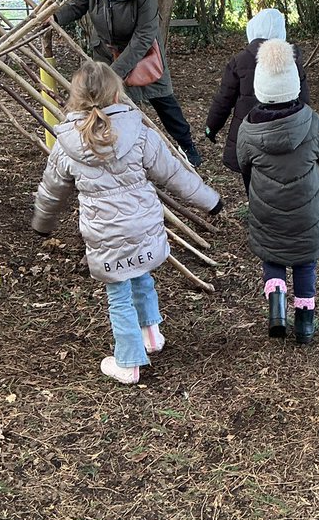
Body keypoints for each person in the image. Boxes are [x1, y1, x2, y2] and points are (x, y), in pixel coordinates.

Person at [31, 62, 222, 384]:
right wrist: (211, 201)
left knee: (118, 293)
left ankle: (129, 363)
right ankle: (151, 336)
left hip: (104, 233)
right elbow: (174, 174)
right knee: (141, 275)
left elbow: (52, 192)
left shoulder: (66, 145)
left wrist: (42, 224)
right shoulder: (139, 133)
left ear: (74, 98)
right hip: (143, 226)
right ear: (117, 93)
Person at [53, 0, 202, 167]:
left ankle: (187, 145)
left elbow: (144, 35)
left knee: (163, 100)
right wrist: (55, 19)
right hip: (105, 50)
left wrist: (115, 73)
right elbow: (76, 5)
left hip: (143, 53)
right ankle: (112, 148)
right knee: (107, 103)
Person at [235, 39, 319, 344]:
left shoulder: (247, 128)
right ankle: (305, 323)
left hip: (267, 208)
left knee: (273, 256)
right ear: (293, 82)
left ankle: (277, 305)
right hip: (308, 210)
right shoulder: (312, 122)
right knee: (305, 262)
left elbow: (244, 164)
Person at [204, 8, 310, 185]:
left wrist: (211, 127)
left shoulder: (240, 60)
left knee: (252, 181)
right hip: (285, 132)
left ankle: (257, 208)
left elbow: (224, 99)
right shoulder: (291, 60)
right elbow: (304, 100)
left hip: (249, 136)